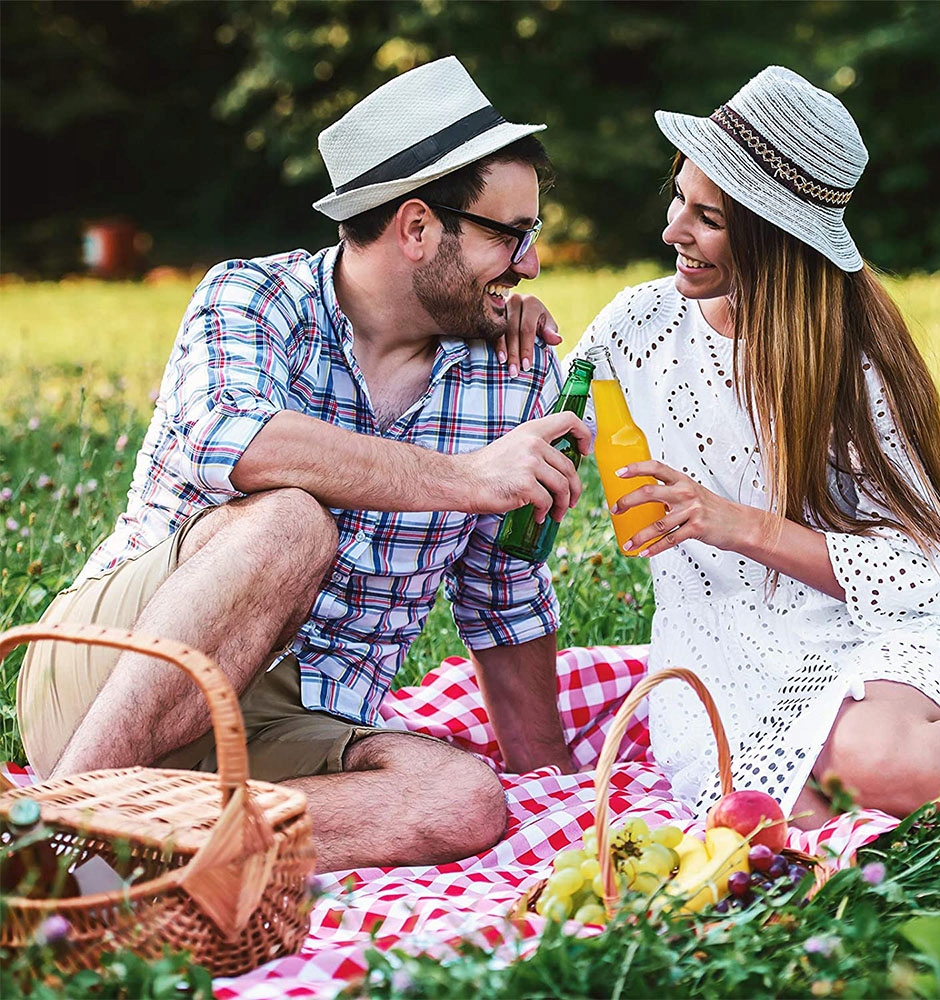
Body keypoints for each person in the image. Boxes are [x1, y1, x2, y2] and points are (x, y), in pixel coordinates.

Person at [15, 56, 590, 872]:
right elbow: (234, 440)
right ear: (418, 228)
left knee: (460, 800)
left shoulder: (517, 369)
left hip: (289, 725)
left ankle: (139, 853)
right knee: (290, 520)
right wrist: (466, 480)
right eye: (510, 234)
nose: (530, 264)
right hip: (120, 671)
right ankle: (52, 836)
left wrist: (555, 785)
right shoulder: (251, 298)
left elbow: (504, 595)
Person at [563, 66, 940, 824]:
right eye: (679, 198)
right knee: (778, 813)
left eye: (710, 218)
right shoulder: (636, 327)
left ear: (776, 238)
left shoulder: (854, 359)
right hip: (719, 659)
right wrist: (512, 340)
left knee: (875, 764)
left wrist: (740, 525)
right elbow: (543, 429)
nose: (673, 231)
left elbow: (926, 569)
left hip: (871, 635)